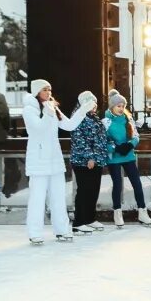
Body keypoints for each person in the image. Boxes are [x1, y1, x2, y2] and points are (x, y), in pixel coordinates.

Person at [22, 79, 93, 244]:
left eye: (50, 89)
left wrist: (83, 110)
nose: (48, 92)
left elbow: (69, 126)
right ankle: (34, 232)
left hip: (54, 159)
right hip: (39, 160)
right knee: (37, 198)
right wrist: (47, 113)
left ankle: (61, 229)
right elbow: (38, 129)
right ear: (37, 92)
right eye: (45, 89)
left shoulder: (52, 107)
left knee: (58, 197)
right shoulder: (29, 110)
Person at [104, 90, 151, 227]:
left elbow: (136, 136)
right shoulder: (106, 121)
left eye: (122, 106)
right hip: (114, 158)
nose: (121, 109)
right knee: (118, 185)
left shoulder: (128, 119)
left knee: (136, 183)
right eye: (118, 106)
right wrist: (115, 148)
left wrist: (130, 145)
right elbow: (104, 141)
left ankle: (142, 212)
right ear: (112, 107)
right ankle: (117, 213)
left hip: (128, 155)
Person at [69, 91, 110, 233]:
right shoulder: (78, 117)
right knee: (84, 190)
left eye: (95, 104)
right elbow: (80, 139)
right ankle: (79, 221)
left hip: (96, 160)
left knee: (93, 190)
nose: (95, 106)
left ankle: (90, 218)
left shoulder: (94, 117)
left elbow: (100, 138)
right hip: (83, 161)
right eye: (92, 103)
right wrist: (89, 157)